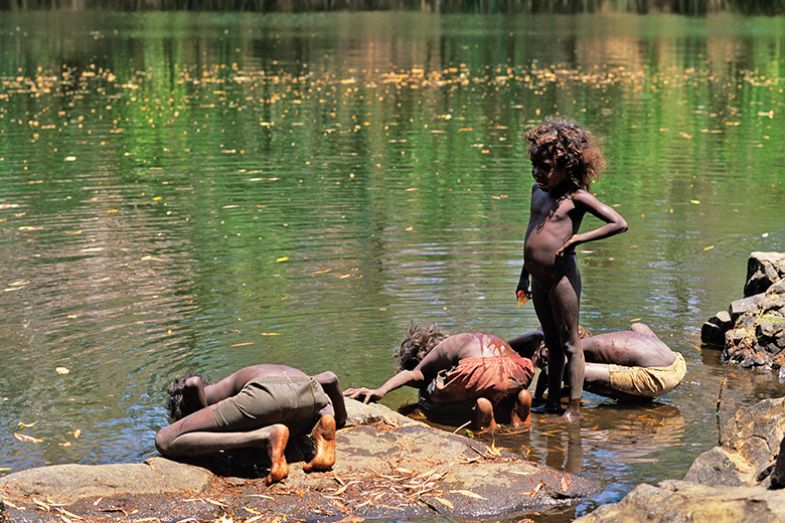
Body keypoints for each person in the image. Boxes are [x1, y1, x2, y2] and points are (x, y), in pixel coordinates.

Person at [516, 117, 628, 423]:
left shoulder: (575, 198)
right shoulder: (537, 192)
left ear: (567, 166)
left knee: (569, 343)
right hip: (537, 279)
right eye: (534, 166)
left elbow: (619, 223)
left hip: (560, 278)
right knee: (550, 342)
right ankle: (552, 402)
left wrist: (579, 237)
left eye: (546, 167)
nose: (538, 173)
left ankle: (573, 409)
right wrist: (523, 274)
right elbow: (531, 232)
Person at [155, 364, 347, 485]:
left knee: (164, 440)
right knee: (284, 411)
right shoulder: (252, 372)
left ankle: (265, 437)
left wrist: (195, 415)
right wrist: (339, 419)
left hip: (265, 393)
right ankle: (323, 426)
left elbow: (193, 383)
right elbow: (330, 378)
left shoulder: (209, 391)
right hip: (308, 390)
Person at [343, 324, 535, 433]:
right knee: (495, 385)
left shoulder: (439, 351)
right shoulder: (467, 338)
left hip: (479, 370)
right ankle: (519, 404)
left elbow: (414, 374)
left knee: (431, 389)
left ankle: (484, 419)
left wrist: (380, 390)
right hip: (517, 369)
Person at [508, 322, 686, 401]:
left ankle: (636, 395)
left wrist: (538, 398)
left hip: (656, 376)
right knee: (636, 327)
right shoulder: (598, 342)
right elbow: (640, 325)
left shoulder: (578, 347)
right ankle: (635, 398)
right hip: (676, 362)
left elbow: (550, 371)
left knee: (570, 371)